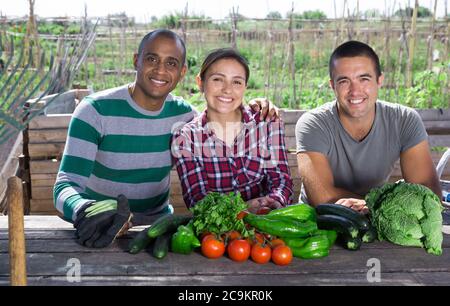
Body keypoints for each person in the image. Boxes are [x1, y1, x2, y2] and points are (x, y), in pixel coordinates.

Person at [53, 29, 278, 248]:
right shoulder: (95, 110)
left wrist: (255, 107)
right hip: (99, 227)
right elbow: (66, 183)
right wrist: (84, 210)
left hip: (157, 229)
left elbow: (224, 119)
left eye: (171, 63)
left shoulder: (185, 118)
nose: (160, 70)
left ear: (181, 72)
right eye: (152, 59)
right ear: (136, 61)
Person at [295, 40, 441, 213]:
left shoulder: (403, 120)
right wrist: (381, 205)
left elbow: (429, 194)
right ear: (332, 86)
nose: (355, 91)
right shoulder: (313, 124)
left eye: (364, 79)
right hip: (319, 224)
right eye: (344, 81)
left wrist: (371, 206)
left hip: (378, 221)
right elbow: (323, 199)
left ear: (379, 81)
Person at [172, 48, 293, 213]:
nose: (227, 89)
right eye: (217, 79)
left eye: (236, 82)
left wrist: (274, 201)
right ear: (200, 83)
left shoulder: (266, 123)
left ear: (245, 86)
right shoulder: (186, 137)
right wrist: (242, 209)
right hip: (216, 233)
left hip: (266, 221)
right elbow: (197, 199)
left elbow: (280, 180)